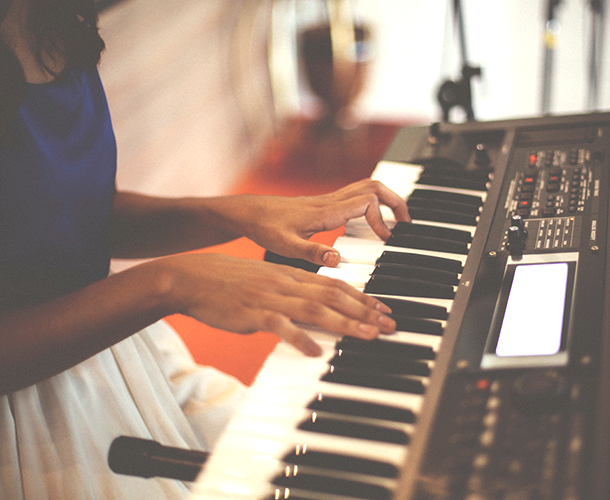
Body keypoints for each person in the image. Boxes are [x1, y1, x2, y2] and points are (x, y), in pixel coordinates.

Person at [0, 0, 411, 498]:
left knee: (339, 461)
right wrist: (171, 283)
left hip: (110, 353)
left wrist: (237, 213)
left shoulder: (52, 16)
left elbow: (60, 216)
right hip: (26, 427)